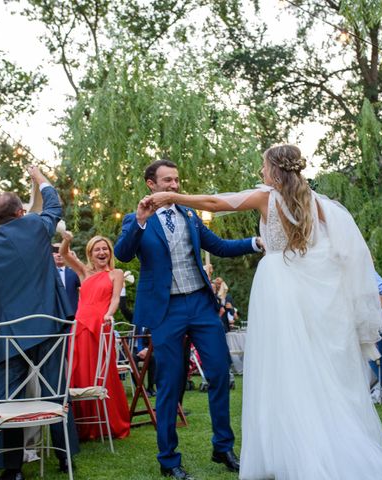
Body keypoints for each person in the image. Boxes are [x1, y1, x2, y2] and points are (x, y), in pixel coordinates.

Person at [148, 145, 382, 479]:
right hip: (308, 289)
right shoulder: (315, 201)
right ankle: (317, 444)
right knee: (311, 366)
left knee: (280, 367)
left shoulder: (266, 196)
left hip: (277, 288)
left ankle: (291, 451)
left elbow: (217, 203)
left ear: (274, 169)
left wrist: (175, 198)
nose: (261, 172)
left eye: (263, 166)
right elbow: (342, 250)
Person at [114, 159, 262, 479]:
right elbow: (122, 254)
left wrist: (256, 243)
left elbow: (219, 247)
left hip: (200, 304)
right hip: (166, 310)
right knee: (170, 382)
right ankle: (169, 460)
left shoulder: (190, 215)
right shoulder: (138, 220)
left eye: (177, 180)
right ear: (151, 184)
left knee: (220, 373)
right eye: (168, 180)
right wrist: (139, 220)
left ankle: (222, 446)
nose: (175, 186)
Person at [0, 166, 79, 480]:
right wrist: (39, 177)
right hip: (51, 327)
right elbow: (54, 205)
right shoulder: (35, 227)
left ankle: (12, 469)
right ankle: (66, 457)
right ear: (20, 212)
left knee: (7, 399)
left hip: (8, 335)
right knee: (56, 391)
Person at [59, 232, 131, 440]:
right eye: (97, 249)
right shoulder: (84, 272)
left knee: (102, 373)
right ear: (90, 254)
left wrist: (108, 314)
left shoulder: (116, 273)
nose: (102, 252)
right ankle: (84, 427)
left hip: (101, 325)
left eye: (104, 249)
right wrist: (67, 239)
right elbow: (63, 253)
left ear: (110, 252)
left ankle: (108, 423)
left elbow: (116, 299)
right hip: (80, 327)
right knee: (80, 374)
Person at [52, 242, 80, 313]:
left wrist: (76, 261)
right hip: (52, 315)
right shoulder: (45, 273)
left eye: (62, 252)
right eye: (55, 252)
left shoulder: (74, 272)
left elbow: (87, 281)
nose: (59, 255)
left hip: (72, 315)